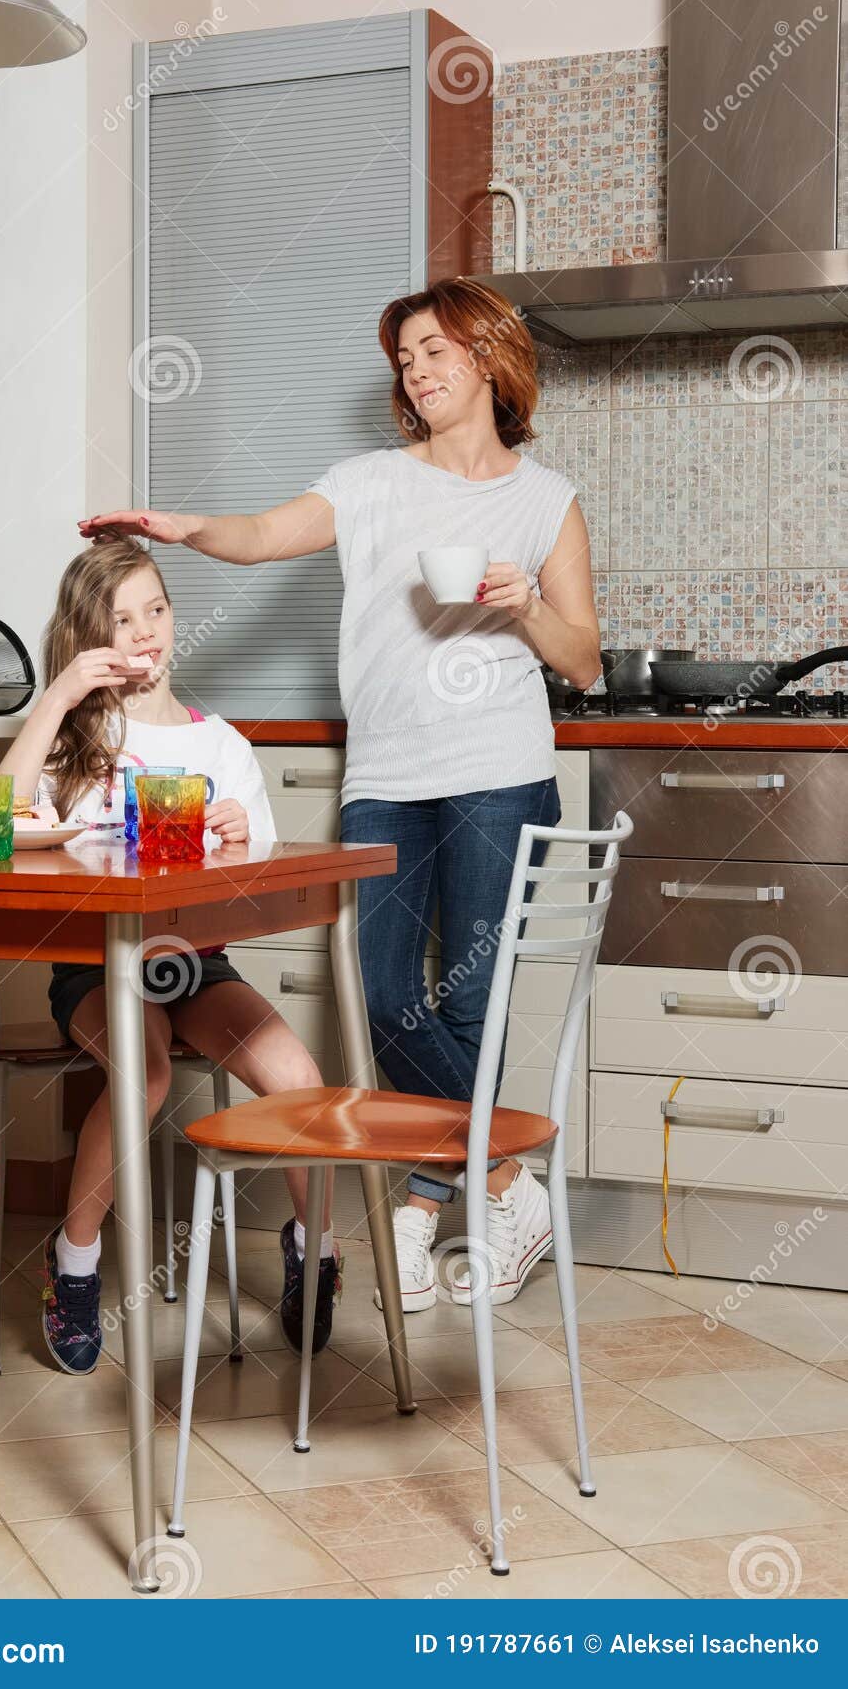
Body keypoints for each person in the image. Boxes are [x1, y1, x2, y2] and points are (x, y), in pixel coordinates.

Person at [78, 277, 601, 1316]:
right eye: (403, 357)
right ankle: (504, 1183)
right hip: (387, 778)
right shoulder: (366, 482)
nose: (413, 370)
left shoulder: (545, 502)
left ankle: (416, 1206)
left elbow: (581, 660)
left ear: (489, 358)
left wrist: (525, 604)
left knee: (461, 1001)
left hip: (498, 771)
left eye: (433, 351)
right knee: (379, 994)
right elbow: (268, 533)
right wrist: (183, 527)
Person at [0, 535, 340, 1372]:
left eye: (156, 609)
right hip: (96, 965)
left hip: (196, 963)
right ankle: (73, 1265)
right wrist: (61, 695)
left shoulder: (219, 746)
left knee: (299, 1077)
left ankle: (313, 1248)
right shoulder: (78, 745)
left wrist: (232, 836)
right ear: (89, 637)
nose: (145, 631)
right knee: (145, 1075)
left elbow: (259, 878)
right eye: (121, 620)